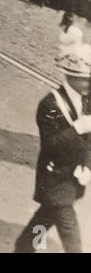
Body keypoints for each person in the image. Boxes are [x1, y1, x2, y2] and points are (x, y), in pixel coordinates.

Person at [15, 36, 91, 253]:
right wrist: (78, 127)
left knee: (44, 219)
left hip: (73, 178)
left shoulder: (87, 99)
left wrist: (88, 164)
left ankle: (24, 247)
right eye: (87, 79)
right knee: (71, 236)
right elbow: (51, 144)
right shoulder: (50, 104)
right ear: (72, 76)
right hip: (54, 179)